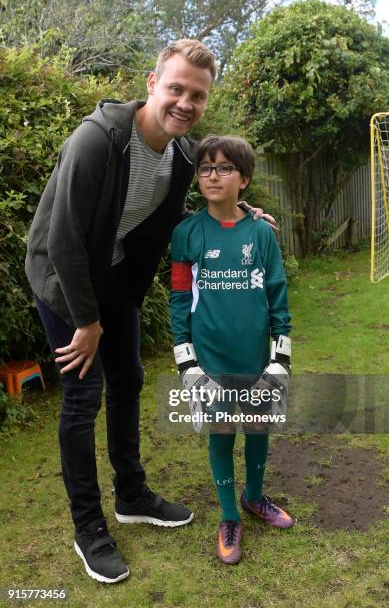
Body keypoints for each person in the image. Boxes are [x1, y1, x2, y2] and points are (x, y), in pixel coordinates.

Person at [25, 39, 276, 583]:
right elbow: (64, 238)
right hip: (62, 278)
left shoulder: (183, 155)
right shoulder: (99, 141)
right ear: (152, 85)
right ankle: (88, 527)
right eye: (176, 89)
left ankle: (132, 494)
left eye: (198, 95)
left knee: (130, 379)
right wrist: (87, 322)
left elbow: (175, 211)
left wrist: (243, 208)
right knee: (82, 395)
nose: (185, 102)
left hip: (113, 278)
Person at [170, 135, 294, 566]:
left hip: (255, 357)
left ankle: (254, 498)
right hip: (211, 359)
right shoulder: (186, 233)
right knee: (222, 432)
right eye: (205, 167)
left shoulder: (261, 233)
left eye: (224, 168)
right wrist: (185, 356)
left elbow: (278, 295)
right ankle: (228, 517)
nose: (213, 175)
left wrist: (281, 355)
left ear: (244, 178)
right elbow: (180, 299)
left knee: (257, 428)